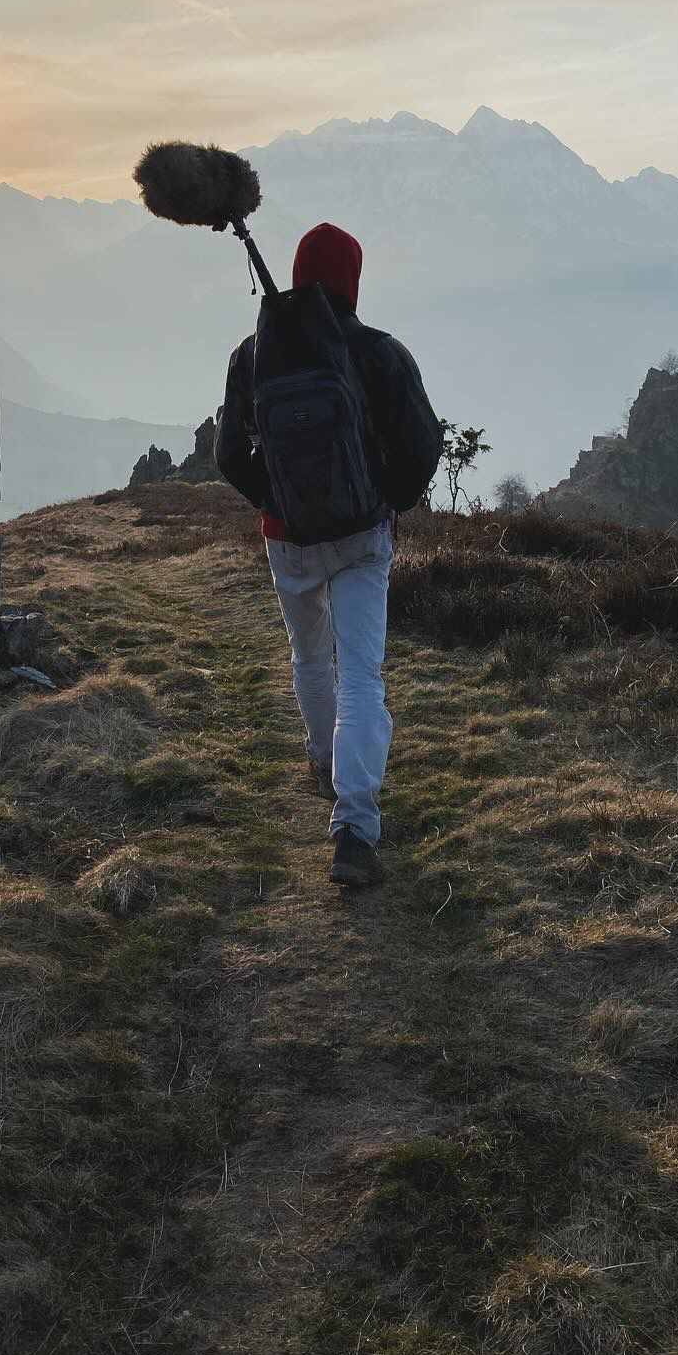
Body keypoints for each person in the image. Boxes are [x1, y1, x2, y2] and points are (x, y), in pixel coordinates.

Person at [216, 222, 442, 888]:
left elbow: (228, 454)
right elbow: (423, 445)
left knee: (310, 656)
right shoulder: (379, 352)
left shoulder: (251, 354)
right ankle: (354, 828)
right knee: (362, 675)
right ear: (353, 280)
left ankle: (321, 760)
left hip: (287, 539)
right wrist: (387, 499)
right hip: (361, 536)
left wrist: (276, 499)